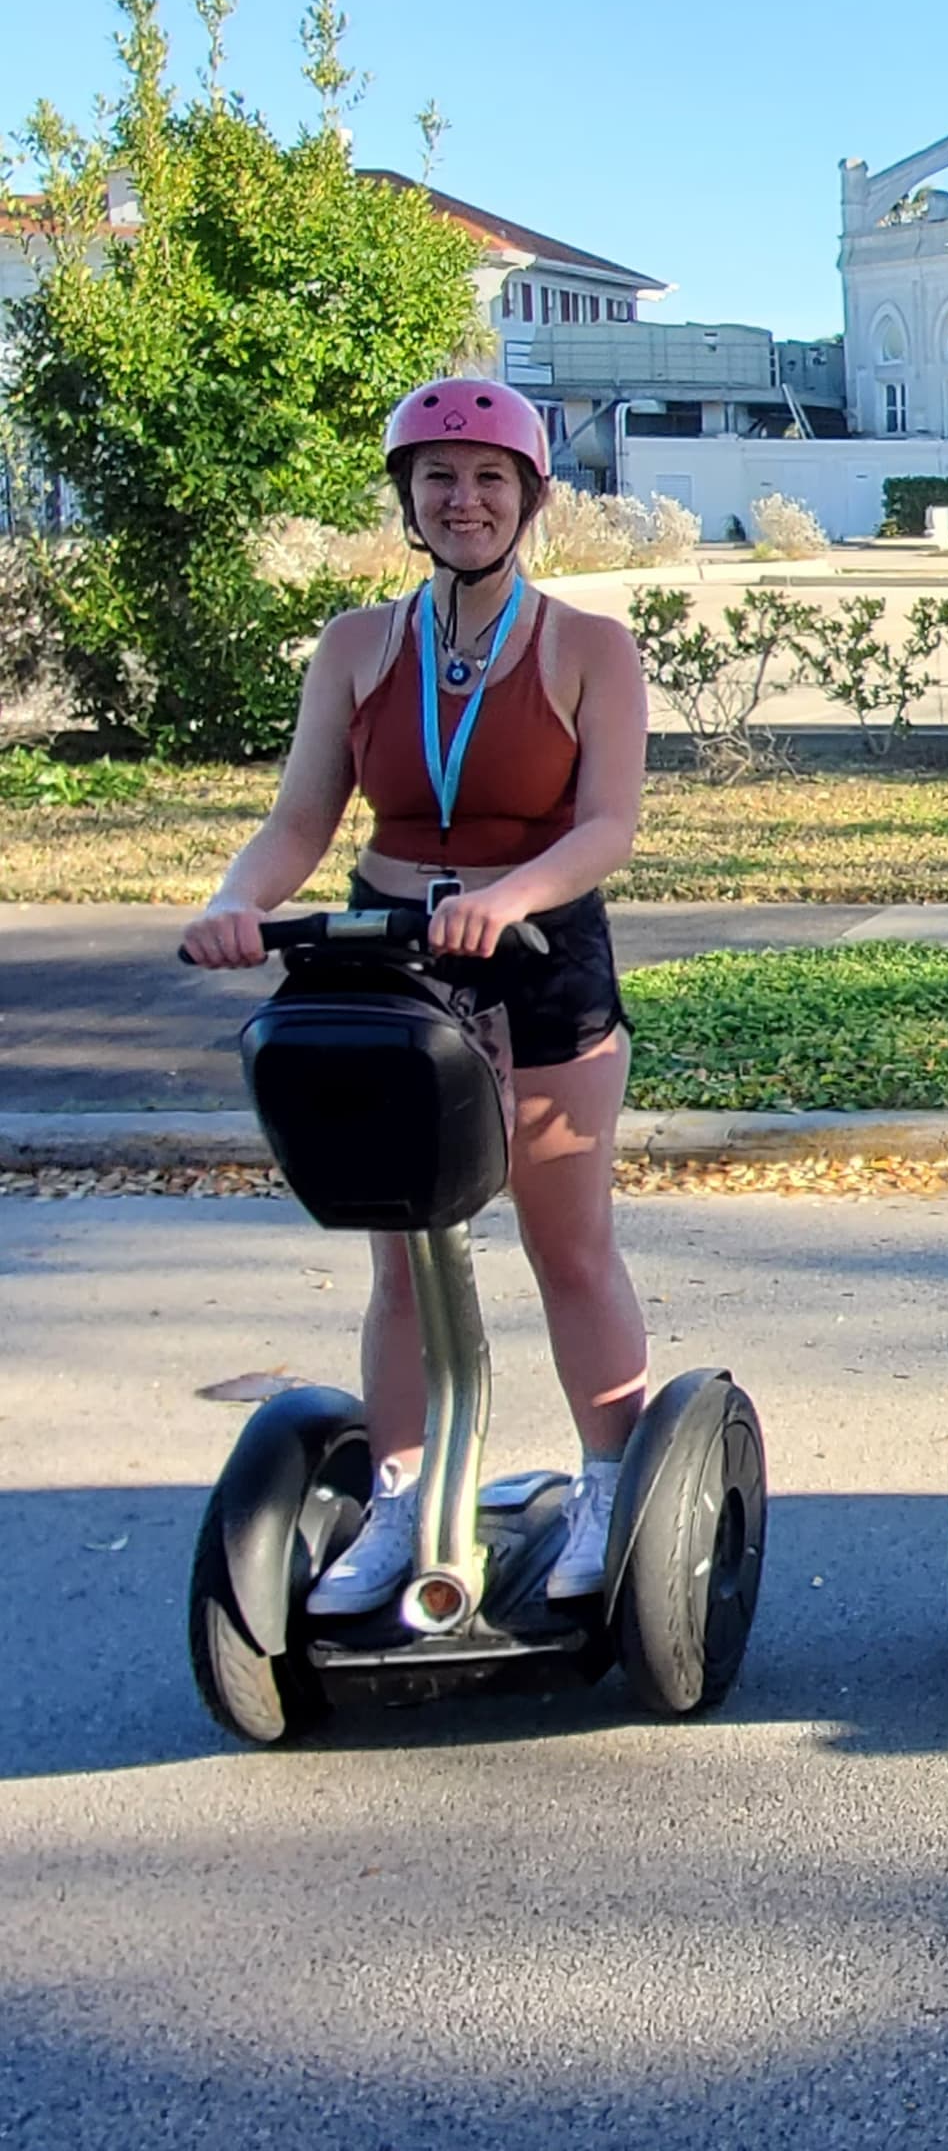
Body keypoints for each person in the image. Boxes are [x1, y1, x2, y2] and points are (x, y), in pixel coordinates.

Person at [179, 378, 655, 1612]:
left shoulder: (588, 648)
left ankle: (609, 1486)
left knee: (568, 1244)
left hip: (540, 961)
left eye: (491, 479)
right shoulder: (356, 647)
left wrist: (513, 898)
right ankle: (398, 1503)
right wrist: (238, 902)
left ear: (529, 500)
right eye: (439, 478)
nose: (465, 499)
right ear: (409, 499)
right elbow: (299, 821)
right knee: (406, 1257)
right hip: (383, 962)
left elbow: (609, 826)